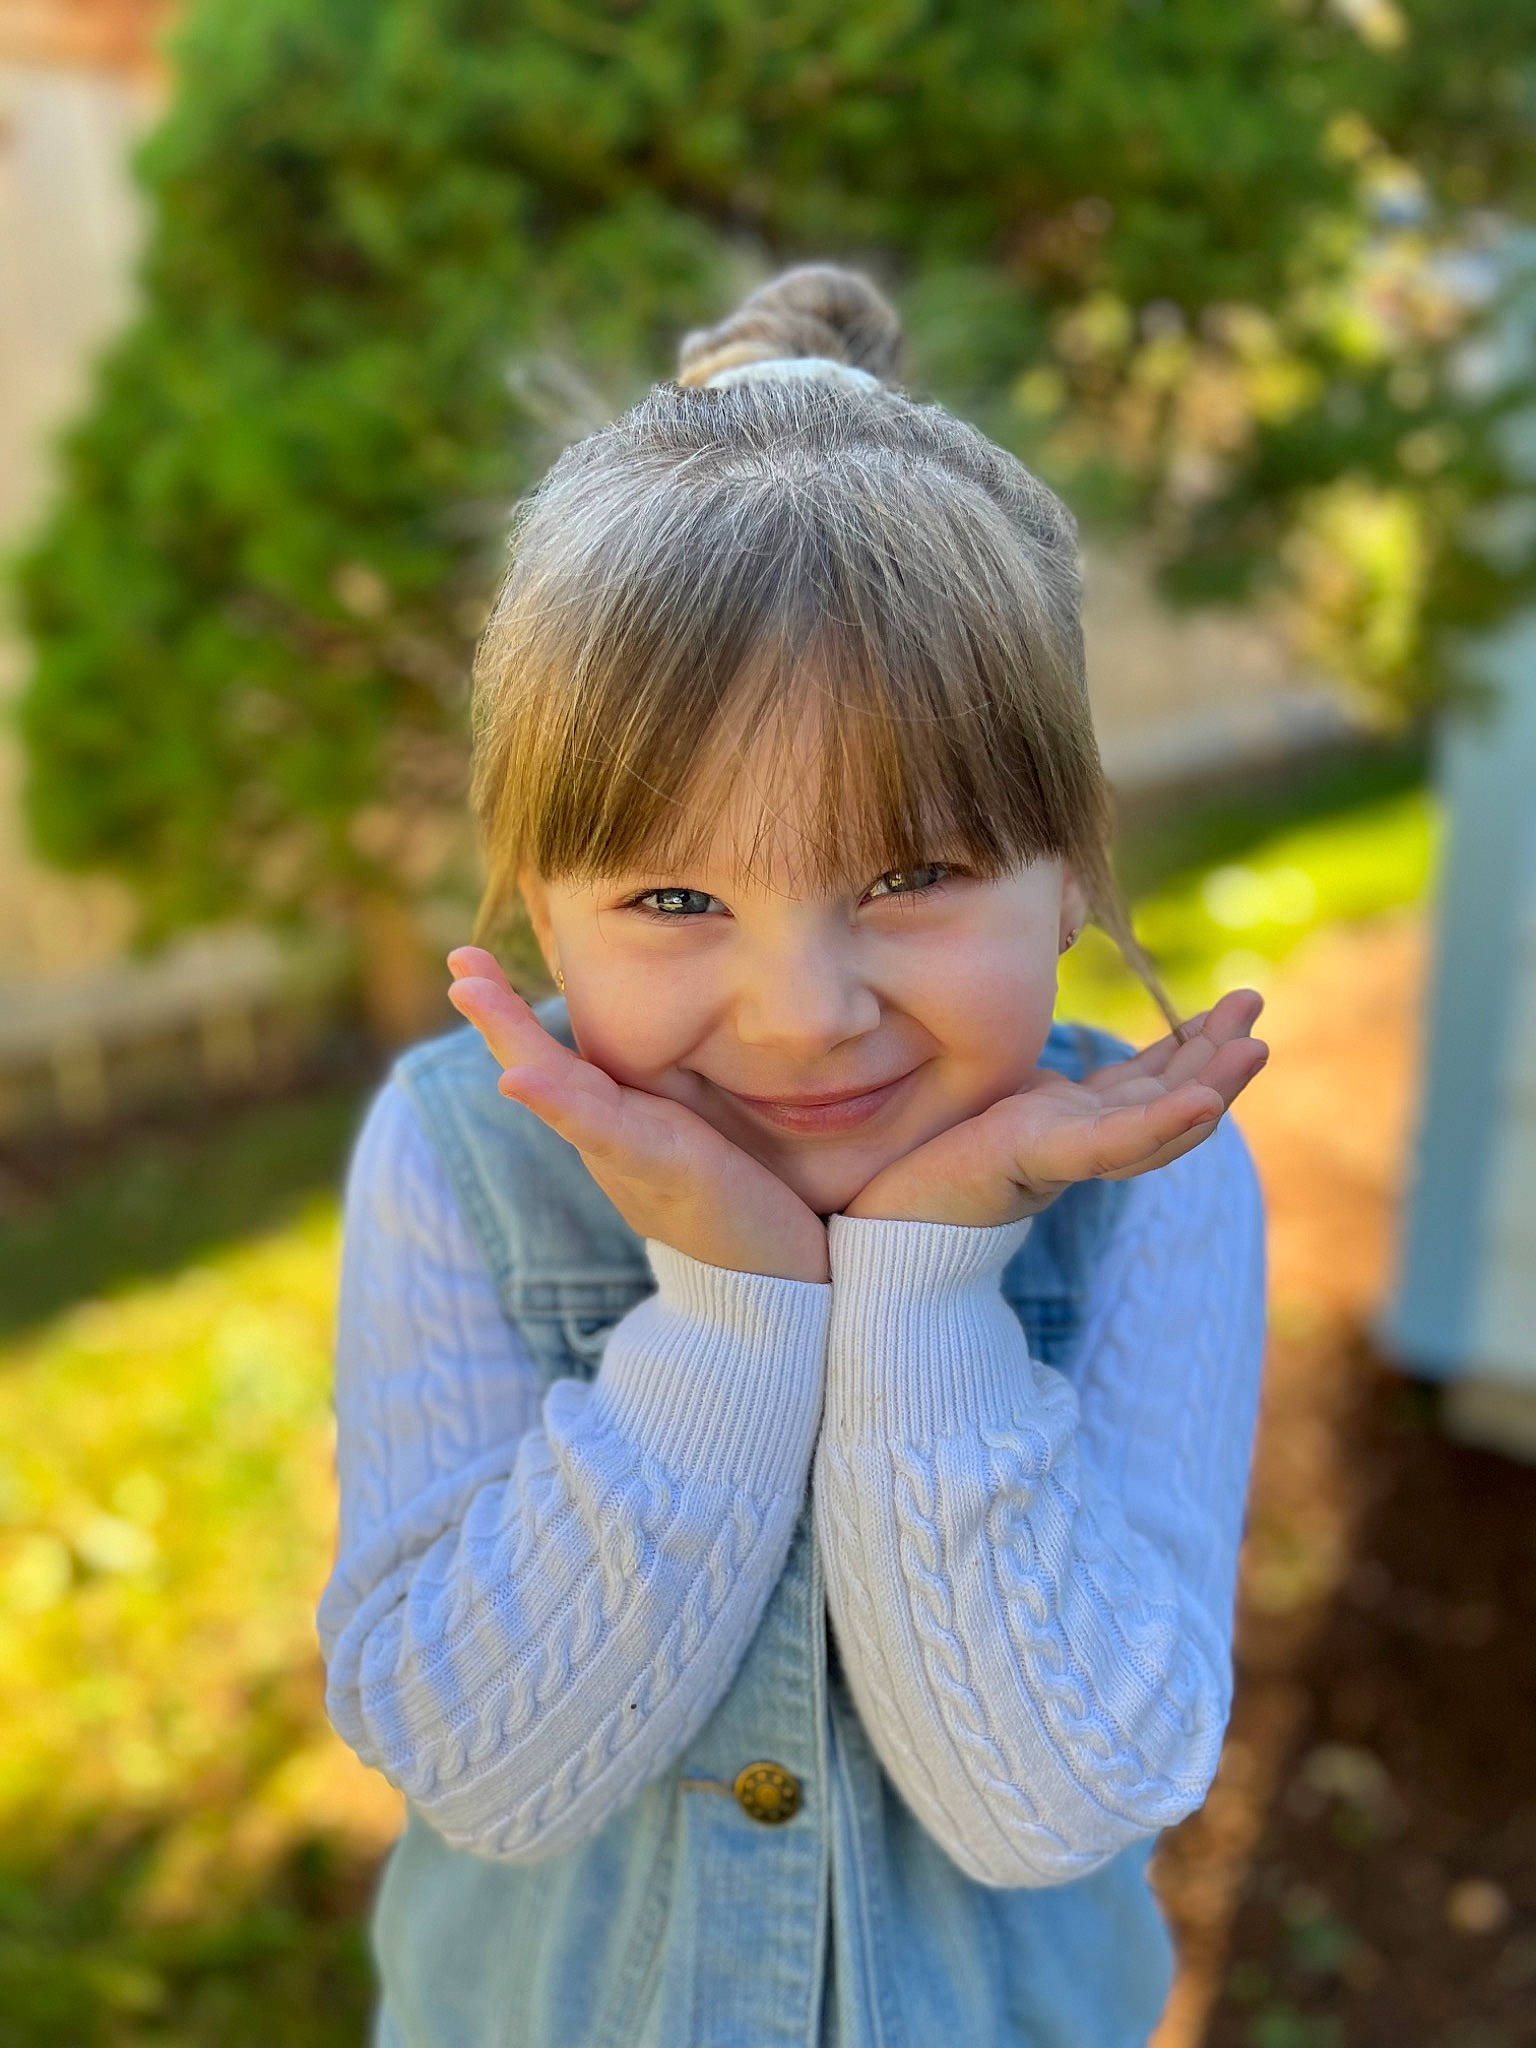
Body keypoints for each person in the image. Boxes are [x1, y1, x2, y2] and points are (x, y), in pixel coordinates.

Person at [316, 262, 1270, 2048]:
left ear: (1069, 865)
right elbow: (479, 1769)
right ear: (539, 913)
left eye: (908, 879)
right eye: (676, 898)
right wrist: (738, 1309)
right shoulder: (451, 1159)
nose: (802, 1013)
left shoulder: (1166, 1187)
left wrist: (923, 1278)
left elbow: (1057, 1801)